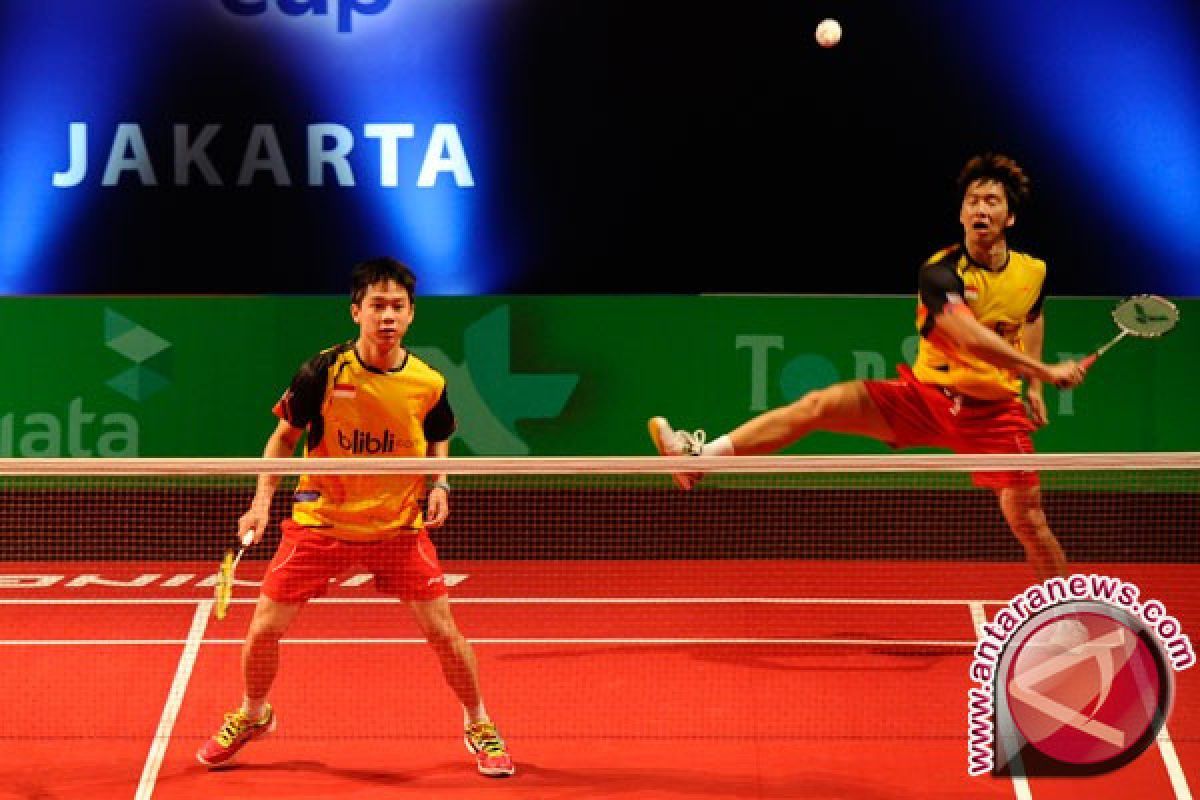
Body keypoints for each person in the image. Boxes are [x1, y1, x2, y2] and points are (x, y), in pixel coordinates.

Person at [649, 153, 1087, 582]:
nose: (980, 209)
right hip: (927, 398)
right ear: (960, 213)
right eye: (973, 200)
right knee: (817, 405)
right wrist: (1046, 370)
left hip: (991, 414)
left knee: (1028, 519)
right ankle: (699, 462)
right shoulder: (939, 272)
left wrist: (1033, 387)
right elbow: (969, 336)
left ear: (1010, 217)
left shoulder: (1033, 272)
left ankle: (1068, 618)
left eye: (992, 201)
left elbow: (1032, 316)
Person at [197, 257, 514, 777]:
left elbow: (439, 433)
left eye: (397, 307)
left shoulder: (427, 381)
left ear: (411, 315)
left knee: (444, 633)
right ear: (356, 312)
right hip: (322, 524)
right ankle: (254, 714)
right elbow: (283, 438)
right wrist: (259, 503)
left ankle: (478, 721)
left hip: (396, 529)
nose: (387, 316)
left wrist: (440, 483)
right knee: (261, 631)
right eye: (377, 306)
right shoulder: (322, 371)